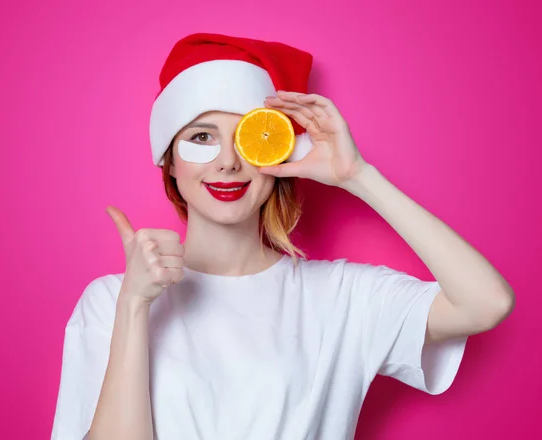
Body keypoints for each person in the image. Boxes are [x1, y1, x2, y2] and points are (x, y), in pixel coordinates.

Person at [50, 33, 515, 440]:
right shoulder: (111, 301)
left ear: (278, 155)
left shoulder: (342, 298)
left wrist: (358, 176)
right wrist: (134, 305)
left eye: (248, 140)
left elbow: (486, 303)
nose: (228, 162)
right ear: (169, 160)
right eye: (201, 137)